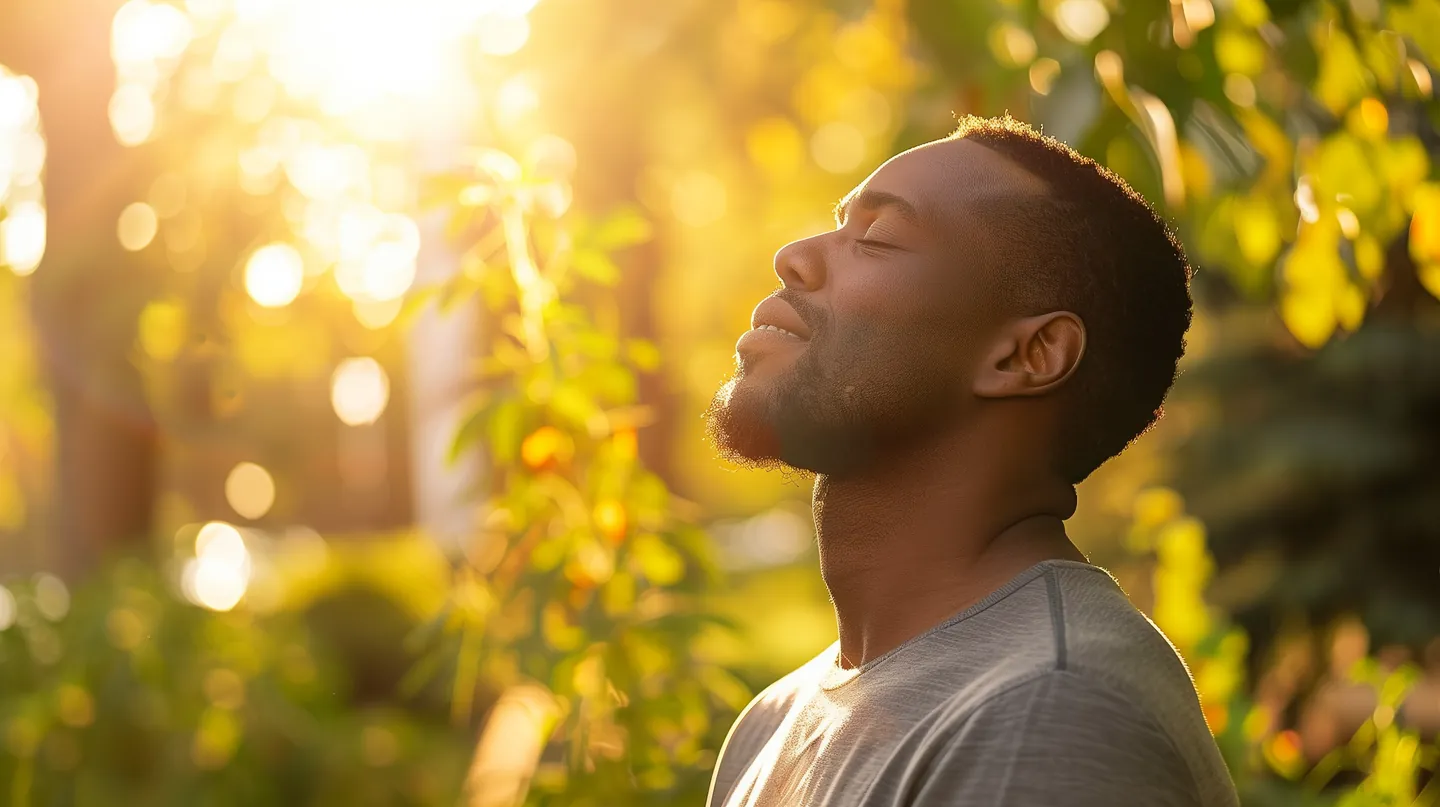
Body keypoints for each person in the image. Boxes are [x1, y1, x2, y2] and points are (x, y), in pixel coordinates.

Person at [701, 115, 1239, 807]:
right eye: (836, 224)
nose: (794, 255)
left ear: (1026, 355)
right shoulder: (771, 722)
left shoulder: (1050, 707)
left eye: (878, 238)